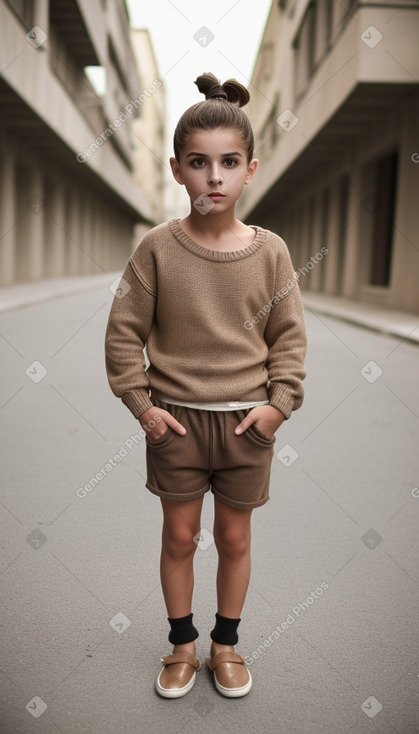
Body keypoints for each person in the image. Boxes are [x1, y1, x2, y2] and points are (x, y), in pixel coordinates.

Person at [104, 72, 307, 699]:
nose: (213, 177)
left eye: (227, 162)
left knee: (235, 536)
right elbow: (122, 335)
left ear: (250, 169)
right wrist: (144, 408)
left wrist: (278, 406)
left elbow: (289, 339)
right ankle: (182, 646)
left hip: (249, 423)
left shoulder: (271, 252)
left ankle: (226, 645)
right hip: (177, 422)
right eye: (198, 163)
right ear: (176, 168)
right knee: (180, 536)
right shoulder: (157, 249)